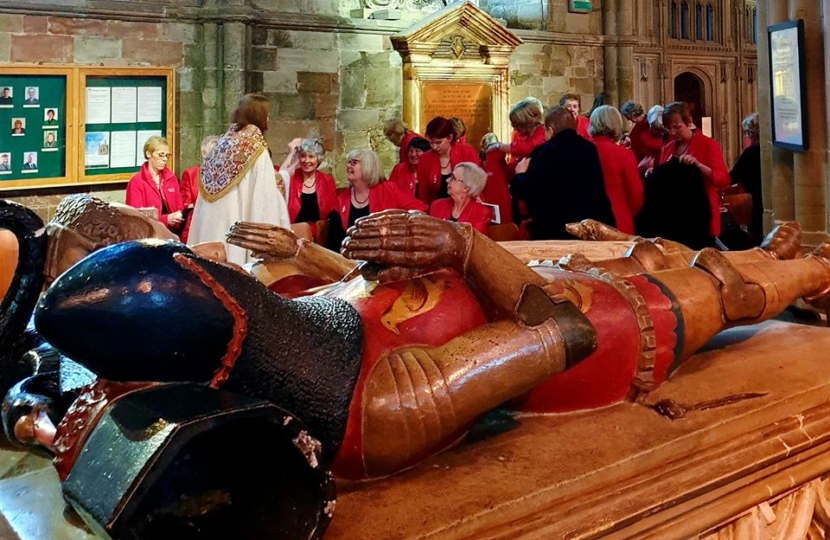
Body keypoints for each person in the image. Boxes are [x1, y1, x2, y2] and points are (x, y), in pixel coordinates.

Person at [188, 93, 290, 265]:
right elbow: (263, 204)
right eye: (268, 114)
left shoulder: (218, 145)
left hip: (208, 235)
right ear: (260, 116)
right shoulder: (256, 150)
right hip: (236, 241)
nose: (269, 119)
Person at [510, 106, 615, 239]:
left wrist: (520, 175)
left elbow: (530, 190)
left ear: (550, 130)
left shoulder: (544, 152)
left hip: (555, 228)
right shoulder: (589, 149)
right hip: (587, 227)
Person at [643, 101, 730, 245]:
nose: (672, 133)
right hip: (671, 218)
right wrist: (652, 173)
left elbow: (722, 181)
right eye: (668, 128)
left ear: (688, 122)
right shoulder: (669, 147)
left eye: (677, 127)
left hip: (699, 216)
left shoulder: (708, 145)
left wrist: (699, 166)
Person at [327, 148, 426, 250]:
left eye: (354, 162)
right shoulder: (341, 200)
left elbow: (419, 209)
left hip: (385, 254)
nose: (348, 165)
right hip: (351, 257)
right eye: (348, 162)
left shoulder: (388, 190)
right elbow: (334, 241)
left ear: (368, 166)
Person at [588, 105, 643, 235]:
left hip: (588, 222)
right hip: (619, 219)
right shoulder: (623, 154)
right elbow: (636, 194)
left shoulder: (582, 151)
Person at [125, 136, 184, 235]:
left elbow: (180, 207)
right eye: (161, 155)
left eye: (167, 155)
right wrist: (166, 220)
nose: (165, 159)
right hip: (149, 236)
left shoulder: (171, 178)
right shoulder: (137, 182)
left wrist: (178, 216)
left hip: (173, 233)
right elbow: (135, 218)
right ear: (149, 154)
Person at [416, 116, 480, 206]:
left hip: (465, 208)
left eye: (439, 142)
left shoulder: (467, 152)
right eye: (431, 143)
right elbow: (423, 195)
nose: (434, 147)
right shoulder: (425, 159)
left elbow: (477, 185)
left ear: (450, 137)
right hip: (436, 211)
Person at [428, 162, 493, 235]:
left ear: (466, 188)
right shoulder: (437, 206)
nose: (447, 180)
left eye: (453, 178)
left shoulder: (481, 213)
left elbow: (473, 243)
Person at [286, 139, 337, 228]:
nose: (306, 160)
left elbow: (332, 213)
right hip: (294, 231)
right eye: (303, 156)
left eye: (311, 156)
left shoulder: (327, 181)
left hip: (320, 234)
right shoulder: (291, 178)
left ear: (318, 159)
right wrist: (291, 152)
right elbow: (280, 177)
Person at [179, 135, 220, 244]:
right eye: (213, 153)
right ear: (204, 154)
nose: (216, 157)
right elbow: (185, 203)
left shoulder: (223, 176)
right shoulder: (191, 174)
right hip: (195, 223)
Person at [729, 113, 763, 245]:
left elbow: (732, 177)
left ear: (754, 132)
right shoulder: (772, 149)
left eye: (747, 132)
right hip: (768, 199)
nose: (747, 136)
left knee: (758, 238)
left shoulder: (751, 153)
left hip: (755, 200)